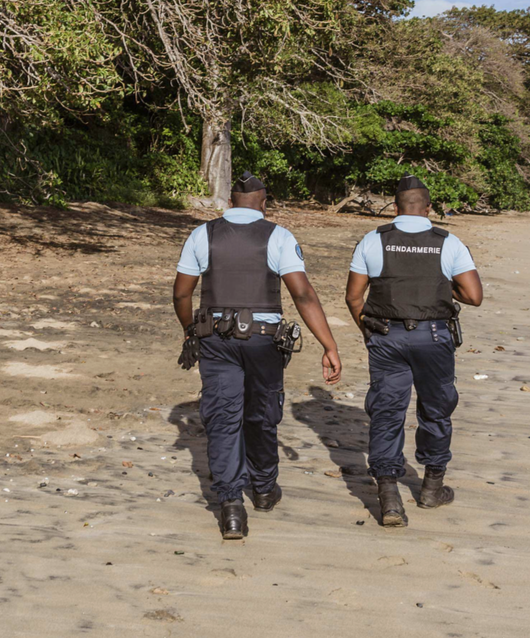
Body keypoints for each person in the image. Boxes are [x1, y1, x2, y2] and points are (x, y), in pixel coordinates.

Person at [173, 172, 343, 539]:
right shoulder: (278, 236)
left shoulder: (203, 234)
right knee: (262, 415)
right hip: (264, 342)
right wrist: (329, 345)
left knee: (222, 419)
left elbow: (182, 293)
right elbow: (303, 294)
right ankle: (264, 490)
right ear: (264, 204)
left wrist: (190, 331)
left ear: (229, 202)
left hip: (216, 340)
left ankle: (231, 507)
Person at [345, 175, 483, 527]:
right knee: (436, 410)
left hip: (385, 337)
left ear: (395, 208)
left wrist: (368, 334)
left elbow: (354, 296)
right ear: (429, 209)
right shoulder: (448, 242)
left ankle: (390, 499)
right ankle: (431, 489)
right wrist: (441, 286)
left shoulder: (373, 240)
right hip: (433, 337)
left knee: (386, 412)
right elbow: (473, 296)